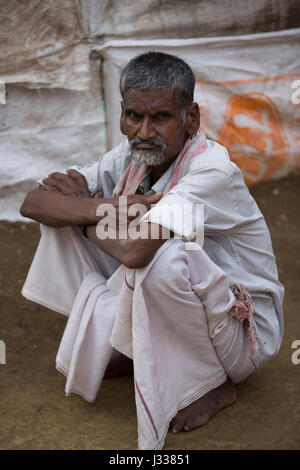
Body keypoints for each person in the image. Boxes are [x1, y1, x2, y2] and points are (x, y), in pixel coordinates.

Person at [20, 52, 284, 450]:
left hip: (244, 336)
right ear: (124, 114)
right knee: (63, 225)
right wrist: (113, 208)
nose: (143, 131)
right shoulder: (132, 158)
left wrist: (88, 217)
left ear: (191, 118)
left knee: (165, 260)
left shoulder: (211, 169)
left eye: (161, 117)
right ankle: (132, 344)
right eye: (133, 116)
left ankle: (213, 383)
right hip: (200, 310)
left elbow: (135, 251)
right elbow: (34, 203)